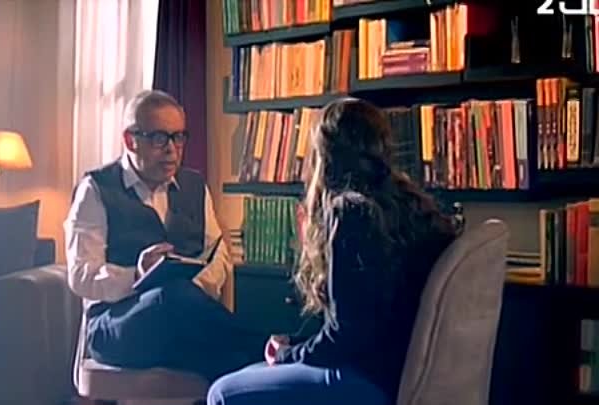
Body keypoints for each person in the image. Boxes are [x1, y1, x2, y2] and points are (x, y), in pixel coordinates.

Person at [206, 97, 462, 405]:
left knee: (222, 392)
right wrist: (297, 345)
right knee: (254, 373)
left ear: (325, 154)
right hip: (397, 371)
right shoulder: (410, 205)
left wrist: (288, 355)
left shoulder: (351, 212)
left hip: (366, 377)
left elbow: (347, 336)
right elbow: (365, 321)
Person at [65, 90, 264, 381]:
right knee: (169, 298)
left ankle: (257, 366)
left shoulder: (194, 185)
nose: (172, 149)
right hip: (115, 325)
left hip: (180, 322)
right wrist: (137, 275)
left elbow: (218, 254)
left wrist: (192, 289)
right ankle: (271, 347)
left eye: (178, 137)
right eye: (160, 138)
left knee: (223, 357)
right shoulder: (95, 189)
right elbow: (81, 275)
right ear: (130, 140)